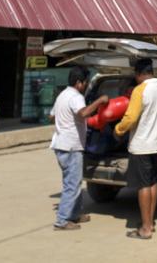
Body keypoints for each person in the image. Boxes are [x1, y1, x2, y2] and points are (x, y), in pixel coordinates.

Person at [114, 57, 157, 240]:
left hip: (142, 146)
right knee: (153, 182)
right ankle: (150, 222)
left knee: (143, 185)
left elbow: (130, 118)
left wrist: (118, 130)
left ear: (138, 74)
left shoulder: (140, 90)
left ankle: (145, 228)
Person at [49, 66, 109, 231]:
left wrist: (64, 122)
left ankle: (74, 215)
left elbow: (51, 116)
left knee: (71, 182)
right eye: (85, 82)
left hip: (61, 144)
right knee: (73, 185)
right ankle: (62, 221)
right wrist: (100, 101)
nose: (86, 84)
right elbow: (83, 114)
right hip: (71, 147)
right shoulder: (76, 97)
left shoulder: (63, 95)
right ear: (78, 83)